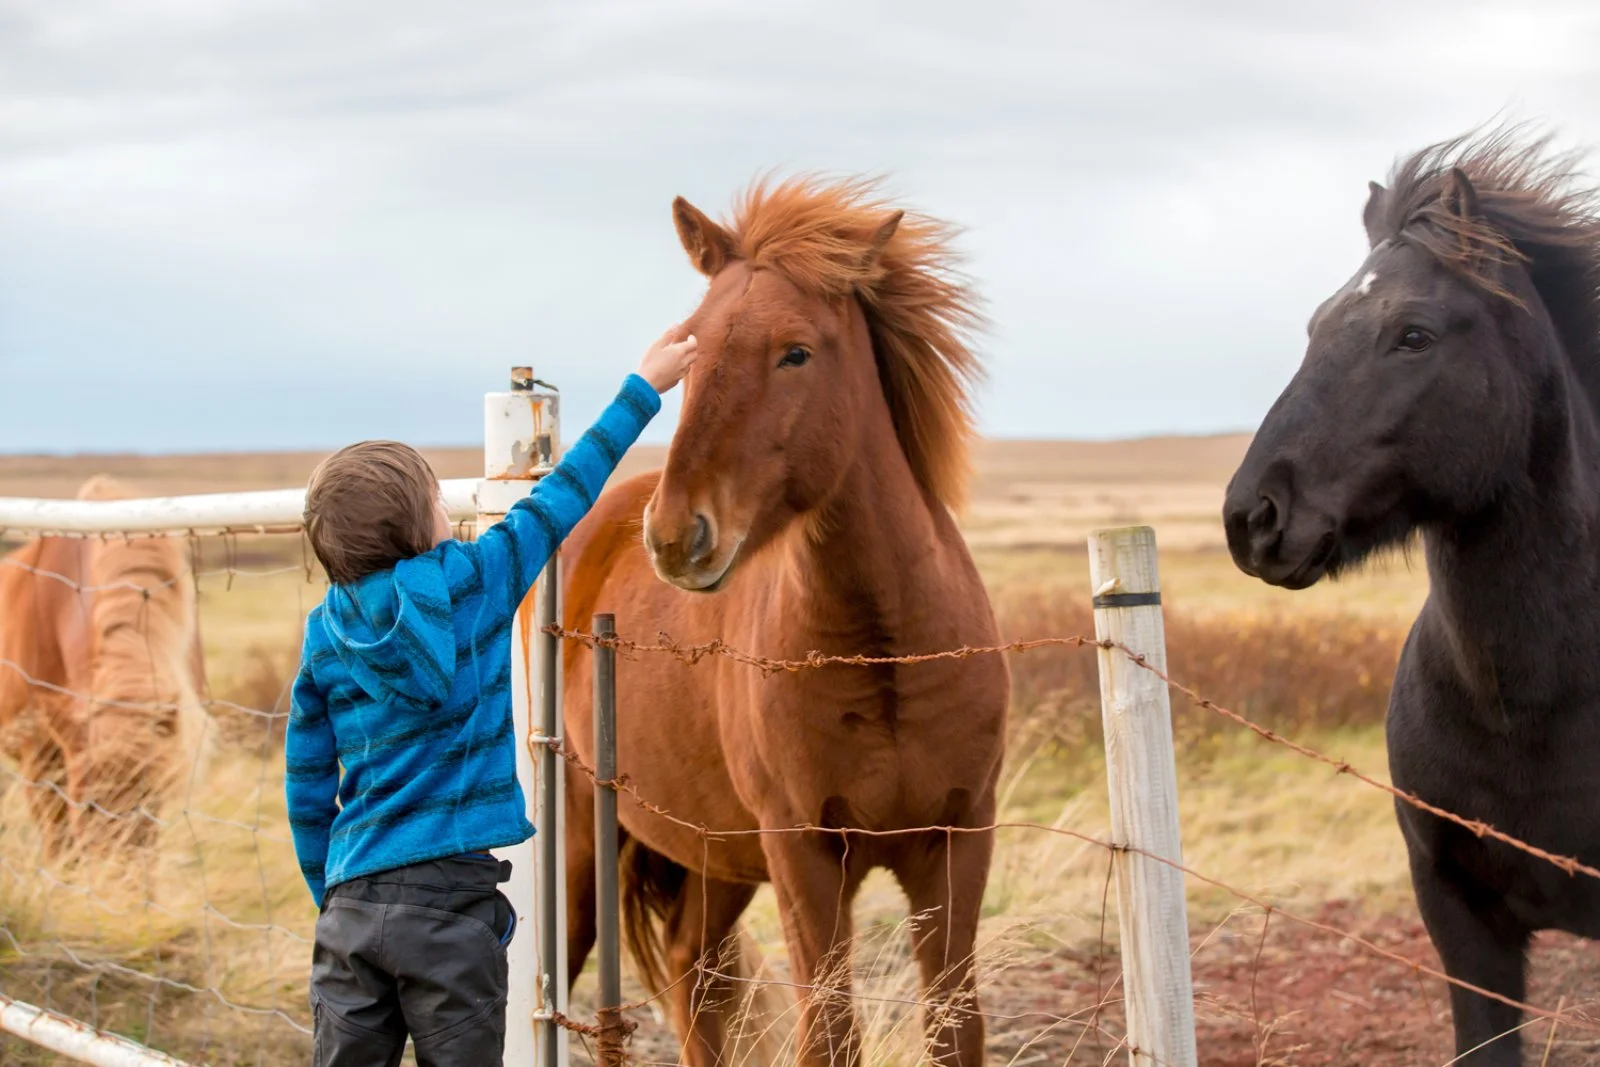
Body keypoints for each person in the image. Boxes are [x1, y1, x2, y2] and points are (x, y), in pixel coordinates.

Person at [286, 326, 698, 1066]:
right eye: (438, 504)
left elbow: (307, 783)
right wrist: (646, 387)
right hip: (449, 904)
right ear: (424, 528)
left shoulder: (324, 633)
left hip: (350, 904)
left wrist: (332, 886)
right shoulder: (480, 580)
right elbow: (565, 493)